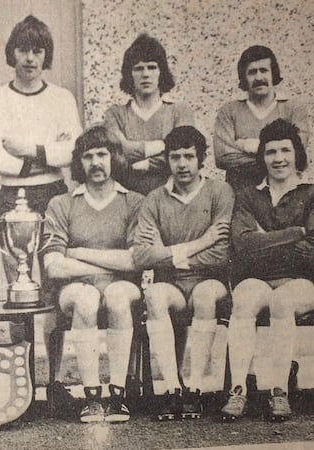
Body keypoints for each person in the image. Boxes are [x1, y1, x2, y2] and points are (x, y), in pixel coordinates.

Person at [132, 126, 234, 420]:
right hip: (172, 285)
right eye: (175, 156)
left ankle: (196, 389)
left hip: (210, 281)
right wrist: (201, 242)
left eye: (189, 156)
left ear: (201, 158)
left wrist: (168, 252)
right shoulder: (154, 199)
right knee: (153, 296)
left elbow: (222, 254)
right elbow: (142, 255)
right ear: (167, 160)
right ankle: (173, 389)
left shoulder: (219, 192)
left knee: (204, 297)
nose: (182, 163)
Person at [43, 126, 143, 423]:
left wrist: (79, 253)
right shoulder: (61, 204)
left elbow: (135, 260)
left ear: (115, 158)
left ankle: (118, 395)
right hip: (75, 288)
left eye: (103, 154)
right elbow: (54, 266)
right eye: (88, 156)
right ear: (79, 162)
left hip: (123, 285)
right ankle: (92, 397)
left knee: (116, 295)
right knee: (85, 298)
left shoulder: (134, 202)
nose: (96, 162)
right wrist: (111, 264)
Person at [223, 119, 314, 422]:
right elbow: (243, 245)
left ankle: (279, 390)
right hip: (258, 278)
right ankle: (238, 390)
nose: (278, 159)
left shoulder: (311, 193)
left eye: (285, 150)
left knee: (281, 302)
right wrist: (295, 232)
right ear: (261, 157)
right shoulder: (249, 196)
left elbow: (311, 251)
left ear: (296, 154)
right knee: (244, 299)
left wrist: (265, 240)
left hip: (302, 281)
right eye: (271, 152)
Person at [0, 15, 82, 284]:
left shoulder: (62, 98)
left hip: (53, 193)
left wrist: (26, 149)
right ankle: (19, 328)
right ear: (12, 53)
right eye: (23, 50)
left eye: (37, 51)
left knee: (55, 272)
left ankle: (54, 329)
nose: (29, 58)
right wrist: (48, 154)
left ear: (45, 55)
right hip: (12, 195)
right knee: (16, 277)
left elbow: (73, 152)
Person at [104, 34, 195, 195]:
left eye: (152, 67)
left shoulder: (179, 112)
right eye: (138, 68)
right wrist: (162, 145)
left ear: (162, 72)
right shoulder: (115, 114)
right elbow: (118, 154)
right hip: (127, 199)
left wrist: (146, 164)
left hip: (172, 197)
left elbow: (183, 155)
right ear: (129, 74)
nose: (145, 74)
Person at [214, 45, 309, 190]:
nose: (258, 77)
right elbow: (223, 158)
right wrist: (272, 156)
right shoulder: (229, 111)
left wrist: (247, 145)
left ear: (273, 73)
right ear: (244, 77)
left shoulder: (293, 109)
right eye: (252, 72)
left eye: (264, 70)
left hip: (284, 194)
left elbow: (298, 154)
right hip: (240, 194)